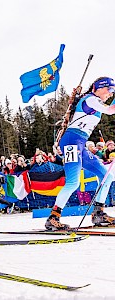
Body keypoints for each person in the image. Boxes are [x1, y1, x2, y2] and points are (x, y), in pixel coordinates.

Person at [45, 77, 115, 230]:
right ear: (99, 88)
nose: (111, 94)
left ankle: (99, 213)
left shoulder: (93, 101)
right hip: (71, 141)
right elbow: (110, 110)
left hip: (80, 143)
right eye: (110, 91)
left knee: (107, 176)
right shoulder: (90, 99)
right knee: (73, 182)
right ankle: (53, 218)